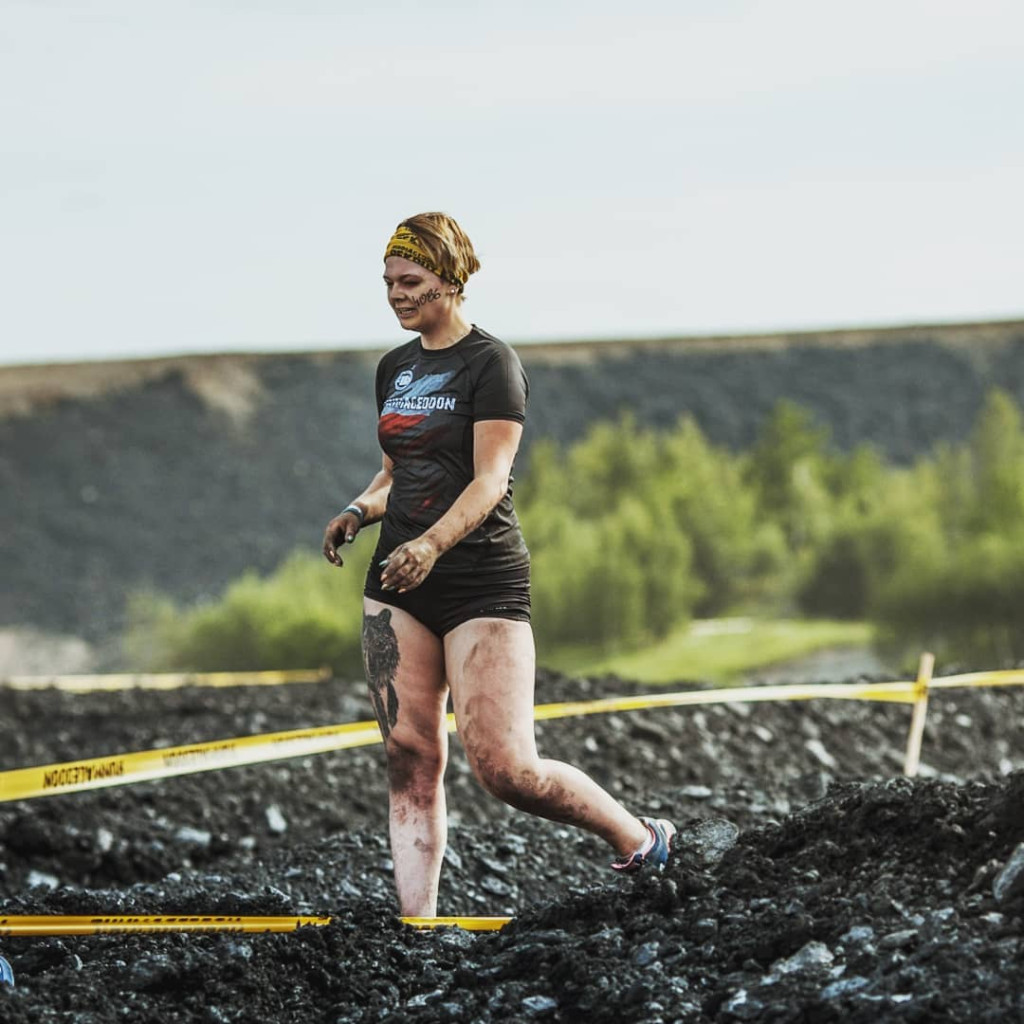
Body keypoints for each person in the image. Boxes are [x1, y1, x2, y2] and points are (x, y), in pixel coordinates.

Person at [322, 212, 674, 917]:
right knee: (409, 756)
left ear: (450, 279)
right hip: (398, 581)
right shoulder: (395, 369)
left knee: (506, 769)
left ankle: (640, 837)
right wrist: (360, 510)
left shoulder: (491, 364)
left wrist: (431, 545)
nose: (396, 295)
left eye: (410, 281)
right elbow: (397, 471)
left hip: (480, 580)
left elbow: (490, 480)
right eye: (388, 282)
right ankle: (417, 926)